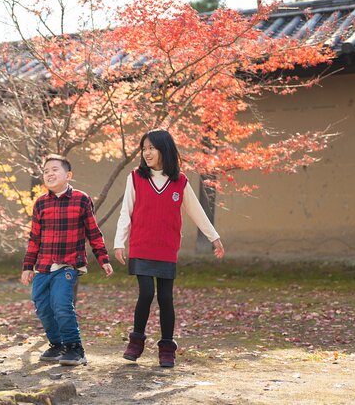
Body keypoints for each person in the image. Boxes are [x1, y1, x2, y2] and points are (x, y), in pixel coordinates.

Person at [114, 129, 224, 368]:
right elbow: (127, 210)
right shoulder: (135, 177)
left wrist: (213, 237)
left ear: (165, 150)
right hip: (141, 246)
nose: (147, 153)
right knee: (145, 293)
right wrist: (118, 242)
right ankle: (136, 342)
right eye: (144, 149)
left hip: (166, 248)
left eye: (152, 148)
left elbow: (196, 211)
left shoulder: (180, 181)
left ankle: (166, 347)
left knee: (165, 298)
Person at [21, 154, 113, 366]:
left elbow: (93, 232)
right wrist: (28, 266)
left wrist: (103, 258)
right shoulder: (40, 204)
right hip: (43, 266)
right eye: (46, 171)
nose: (49, 174)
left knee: (62, 304)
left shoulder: (81, 199)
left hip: (68, 264)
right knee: (41, 305)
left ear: (68, 175)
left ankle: (75, 348)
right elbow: (34, 238)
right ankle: (57, 344)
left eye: (55, 169)